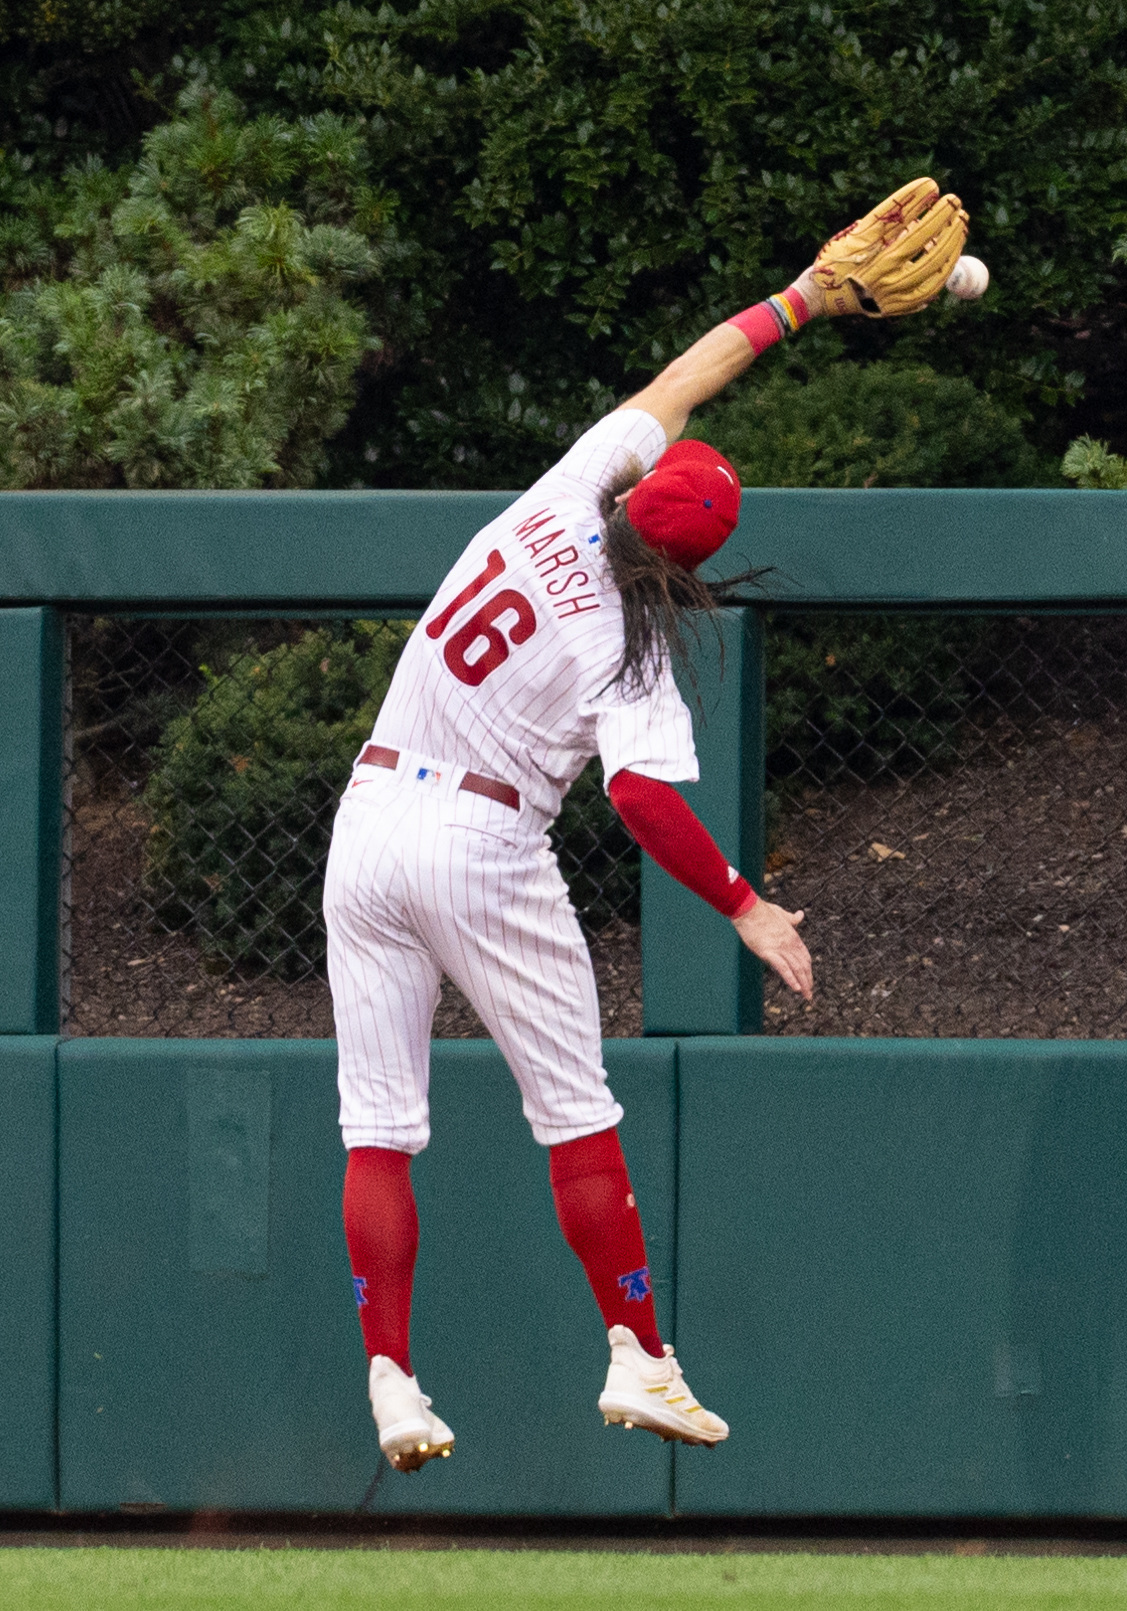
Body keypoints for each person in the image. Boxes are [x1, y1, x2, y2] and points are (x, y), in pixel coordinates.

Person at [324, 182, 969, 1472]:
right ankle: (639, 1358)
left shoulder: (554, 501)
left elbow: (678, 386)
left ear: (634, 497)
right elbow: (640, 798)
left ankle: (391, 1377)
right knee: (577, 1117)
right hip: (483, 849)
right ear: (690, 562)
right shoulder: (633, 647)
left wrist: (799, 302)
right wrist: (745, 904)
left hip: (366, 821)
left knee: (378, 1127)